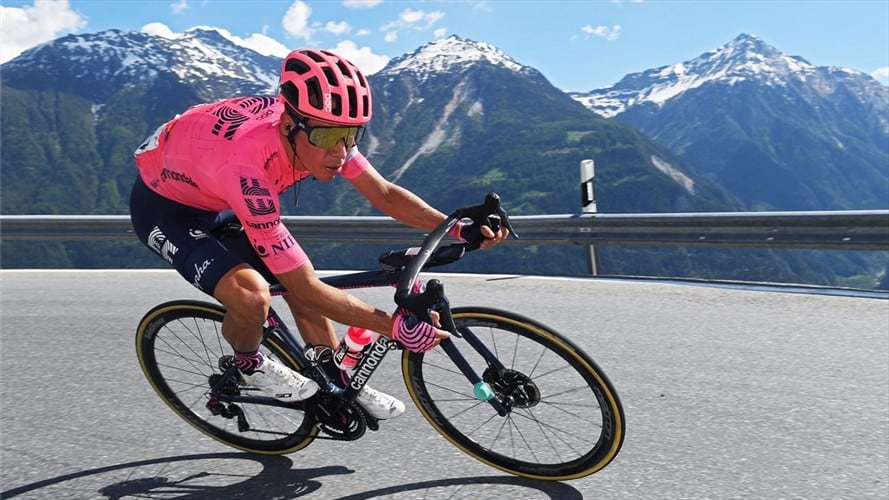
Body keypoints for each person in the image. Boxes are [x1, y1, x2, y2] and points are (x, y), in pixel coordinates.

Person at [129, 48, 508, 420]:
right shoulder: (249, 167)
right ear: (290, 126)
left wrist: (459, 227)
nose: (341, 152)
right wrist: (395, 327)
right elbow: (308, 286)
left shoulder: (320, 129)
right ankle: (248, 363)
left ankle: (336, 379)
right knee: (253, 296)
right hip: (167, 211)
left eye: (352, 135)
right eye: (330, 138)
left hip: (216, 192)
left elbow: (386, 195)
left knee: (298, 282)